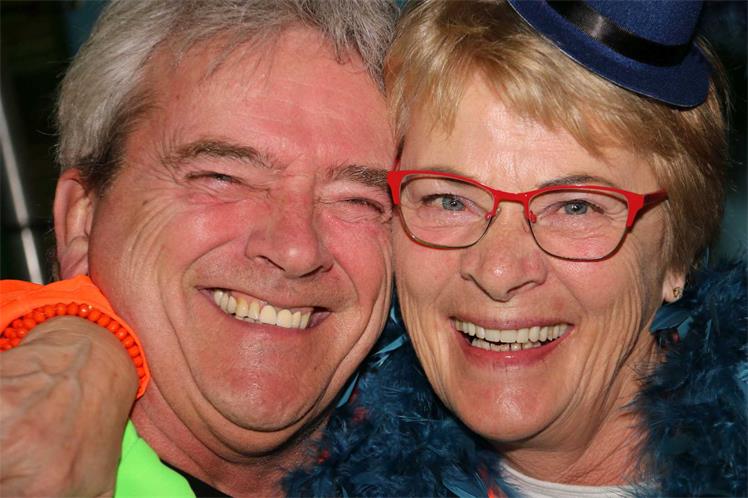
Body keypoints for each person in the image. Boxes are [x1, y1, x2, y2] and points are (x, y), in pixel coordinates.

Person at [314, 0, 744, 496]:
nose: (499, 272)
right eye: (450, 200)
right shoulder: (313, 461)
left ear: (678, 254)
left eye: (576, 208)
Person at [0, 0, 399, 496]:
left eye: (358, 200)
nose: (296, 250)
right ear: (80, 220)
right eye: (222, 177)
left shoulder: (465, 459)